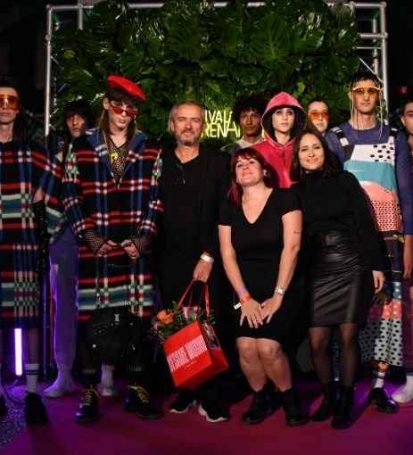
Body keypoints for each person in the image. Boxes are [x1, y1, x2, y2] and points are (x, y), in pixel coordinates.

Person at [62, 75, 163, 424]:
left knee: (138, 322)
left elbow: (157, 198)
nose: (123, 113)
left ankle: (137, 388)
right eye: (118, 105)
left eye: (130, 108)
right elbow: (70, 195)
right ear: (106, 104)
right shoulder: (81, 146)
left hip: (134, 250)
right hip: (97, 249)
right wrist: (89, 237)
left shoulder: (150, 147)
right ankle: (89, 391)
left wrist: (143, 238)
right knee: (90, 322)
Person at [326, 71, 413, 413]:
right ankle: (341, 381)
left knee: (387, 310)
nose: (365, 96)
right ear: (350, 94)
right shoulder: (335, 137)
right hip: (350, 239)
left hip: (390, 236)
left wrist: (409, 240)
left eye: (371, 91)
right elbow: (332, 193)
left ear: (378, 96)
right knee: (346, 308)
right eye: (359, 90)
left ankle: (378, 385)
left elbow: (406, 193)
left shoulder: (393, 136)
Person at [291, 128, 385, 429]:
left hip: (351, 263)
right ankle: (329, 394)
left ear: (325, 150)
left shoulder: (345, 180)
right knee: (317, 342)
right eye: (304, 149)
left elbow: (365, 223)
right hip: (317, 267)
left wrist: (375, 265)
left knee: (347, 336)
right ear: (297, 157)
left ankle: (346, 398)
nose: (311, 153)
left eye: (315, 147)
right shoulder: (295, 191)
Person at [218, 147, 307, 426]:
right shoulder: (229, 207)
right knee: (245, 346)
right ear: (234, 176)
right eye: (239, 165)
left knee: (268, 347)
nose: (245, 167)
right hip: (244, 289)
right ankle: (261, 397)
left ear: (264, 169)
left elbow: (292, 248)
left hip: (283, 286)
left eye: (251, 162)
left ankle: (289, 398)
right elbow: (227, 255)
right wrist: (245, 298)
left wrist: (278, 296)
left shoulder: (285, 198)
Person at [158, 101, 233, 423]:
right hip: (168, 258)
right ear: (172, 125)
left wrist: (209, 254)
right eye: (182, 120)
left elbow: (227, 211)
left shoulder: (219, 162)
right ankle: (187, 388)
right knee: (177, 326)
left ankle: (211, 395)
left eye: (195, 120)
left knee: (209, 325)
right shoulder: (159, 161)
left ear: (203, 126)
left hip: (208, 258)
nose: (188, 126)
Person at [0, 77, 61, 424]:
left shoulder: (33, 152)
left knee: (31, 319)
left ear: (19, 108)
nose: (5, 106)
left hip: (24, 245)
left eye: (11, 100)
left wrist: (43, 225)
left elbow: (56, 183)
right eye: (0, 100)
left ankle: (34, 393)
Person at [45, 100, 93, 398]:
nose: (75, 122)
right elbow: (48, 197)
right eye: (70, 118)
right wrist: (53, 235)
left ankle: (104, 373)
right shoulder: (58, 156)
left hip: (94, 236)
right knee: (63, 305)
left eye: (80, 117)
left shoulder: (101, 152)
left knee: (100, 304)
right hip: (63, 238)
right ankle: (63, 372)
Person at [392, 96, 413, 403]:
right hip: (406, 236)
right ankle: (411, 378)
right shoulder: (395, 149)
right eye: (411, 113)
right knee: (408, 309)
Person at [253, 91, 306, 188]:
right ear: (270, 118)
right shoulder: (255, 152)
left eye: (290, 113)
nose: (285, 117)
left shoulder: (304, 149)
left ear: (296, 118)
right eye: (279, 112)